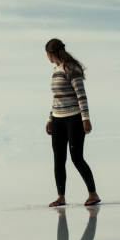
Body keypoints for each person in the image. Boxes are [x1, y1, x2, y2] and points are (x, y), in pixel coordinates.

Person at [44, 39, 100, 207]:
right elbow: (56, 97)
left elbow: (81, 94)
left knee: (77, 158)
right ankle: (61, 197)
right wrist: (49, 118)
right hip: (57, 119)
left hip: (74, 118)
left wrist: (85, 118)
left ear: (50, 54)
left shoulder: (71, 69)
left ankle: (93, 194)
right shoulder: (56, 71)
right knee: (59, 159)